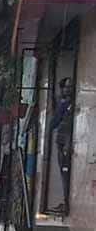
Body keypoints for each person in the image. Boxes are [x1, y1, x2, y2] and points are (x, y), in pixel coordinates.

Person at [50, 78, 74, 211]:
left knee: (66, 173)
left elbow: (54, 122)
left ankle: (67, 202)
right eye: (66, 87)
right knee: (64, 173)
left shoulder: (66, 103)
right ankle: (66, 201)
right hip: (62, 143)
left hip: (66, 144)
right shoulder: (64, 103)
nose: (68, 89)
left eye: (70, 87)